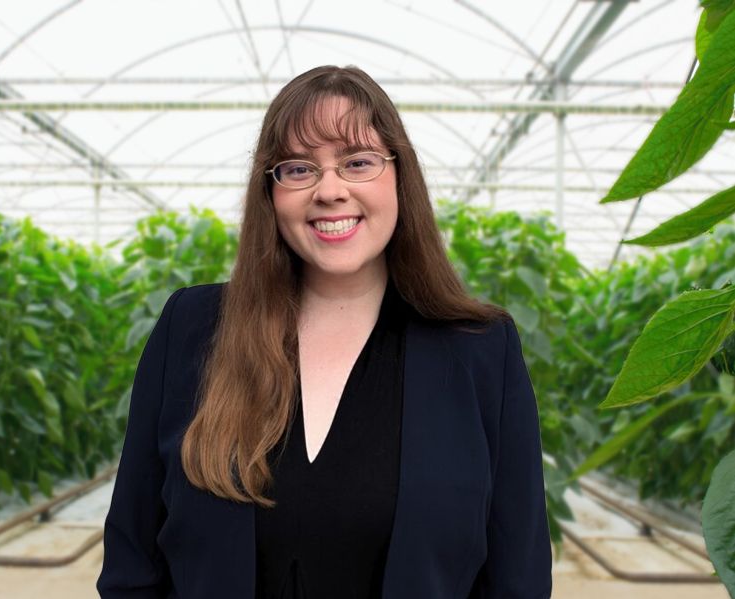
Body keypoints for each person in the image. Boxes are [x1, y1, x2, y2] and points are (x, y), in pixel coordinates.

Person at [97, 65, 552, 599]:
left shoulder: (479, 349)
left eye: (357, 162)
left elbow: (516, 578)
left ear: (399, 175)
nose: (329, 191)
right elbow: (132, 563)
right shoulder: (193, 328)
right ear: (271, 193)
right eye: (298, 169)